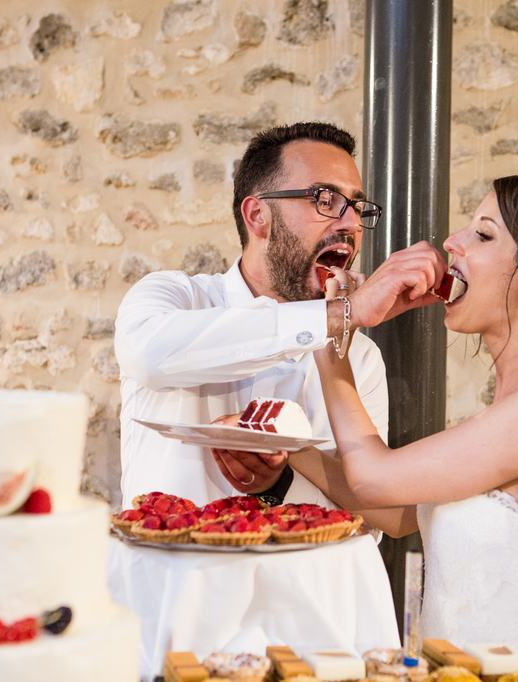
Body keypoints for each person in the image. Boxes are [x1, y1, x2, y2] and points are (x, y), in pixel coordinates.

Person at [215, 175, 518, 682]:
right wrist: (279, 439)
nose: (452, 241)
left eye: (483, 234)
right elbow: (396, 512)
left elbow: (371, 478)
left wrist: (332, 337)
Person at [114, 121, 445, 507]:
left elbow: (369, 526)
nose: (353, 223)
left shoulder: (360, 359)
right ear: (257, 216)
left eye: (356, 206)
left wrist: (280, 482)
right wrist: (337, 317)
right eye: (325, 199)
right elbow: (148, 356)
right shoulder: (175, 297)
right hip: (169, 567)